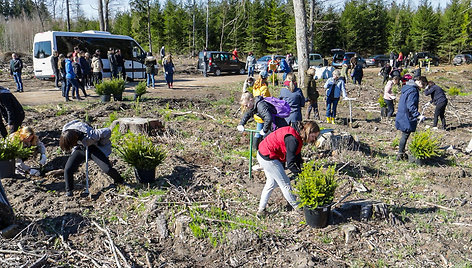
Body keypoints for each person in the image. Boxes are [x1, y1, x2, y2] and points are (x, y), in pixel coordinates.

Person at [256, 121, 321, 217]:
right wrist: (300, 174)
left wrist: (303, 168)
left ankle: (261, 210)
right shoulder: (293, 139)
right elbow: (290, 164)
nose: (313, 139)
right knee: (285, 183)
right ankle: (299, 209)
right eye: (313, 136)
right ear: (308, 132)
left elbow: (297, 155)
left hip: (264, 152)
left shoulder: (297, 134)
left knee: (271, 183)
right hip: (268, 156)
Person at [59, 120, 124, 197]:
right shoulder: (66, 131)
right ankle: (69, 191)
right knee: (68, 169)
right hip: (79, 149)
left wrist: (100, 143)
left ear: (75, 139)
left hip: (93, 148)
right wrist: (77, 145)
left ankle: (120, 181)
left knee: (107, 169)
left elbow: (107, 131)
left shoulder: (91, 135)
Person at [395, 76, 427, 160]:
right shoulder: (413, 90)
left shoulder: (407, 87)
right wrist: (417, 115)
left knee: (404, 134)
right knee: (405, 134)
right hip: (407, 115)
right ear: (420, 82)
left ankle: (401, 153)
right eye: (423, 85)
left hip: (402, 113)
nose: (423, 88)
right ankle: (400, 154)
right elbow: (410, 105)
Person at [251, 71, 271, 147]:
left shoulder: (255, 85)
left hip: (256, 110)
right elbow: (268, 98)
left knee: (258, 129)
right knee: (264, 130)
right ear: (266, 78)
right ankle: (262, 146)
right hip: (264, 111)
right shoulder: (264, 88)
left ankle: (254, 147)